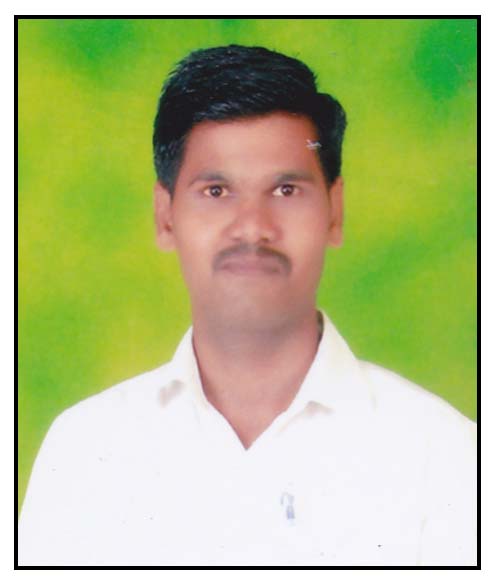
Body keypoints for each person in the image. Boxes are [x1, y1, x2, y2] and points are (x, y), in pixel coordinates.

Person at [18, 45, 477, 567]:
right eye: (216, 191)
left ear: (334, 211)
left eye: (286, 189)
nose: (253, 227)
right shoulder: (85, 452)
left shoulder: (444, 455)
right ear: (166, 216)